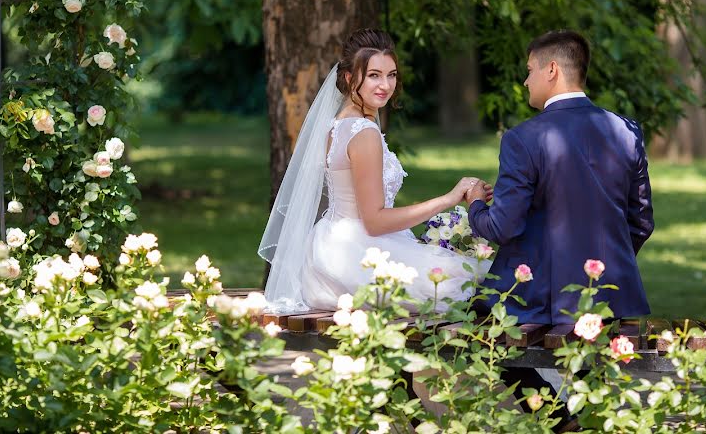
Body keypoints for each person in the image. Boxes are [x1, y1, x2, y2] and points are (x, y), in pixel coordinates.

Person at [464, 29, 654, 429]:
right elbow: (642, 221)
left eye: (529, 70)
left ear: (552, 70)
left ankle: (560, 421)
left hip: (541, 298)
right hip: (612, 295)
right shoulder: (627, 130)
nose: (525, 80)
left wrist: (475, 204)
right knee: (585, 344)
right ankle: (587, 417)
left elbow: (501, 226)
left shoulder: (523, 138)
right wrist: (599, 272)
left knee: (475, 325)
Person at [259, 28, 492, 313]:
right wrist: (450, 198)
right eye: (374, 75)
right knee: (472, 283)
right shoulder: (363, 132)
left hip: (329, 248)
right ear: (349, 77)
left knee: (471, 276)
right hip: (357, 255)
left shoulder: (339, 124)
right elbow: (374, 221)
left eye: (391, 74)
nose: (385, 85)